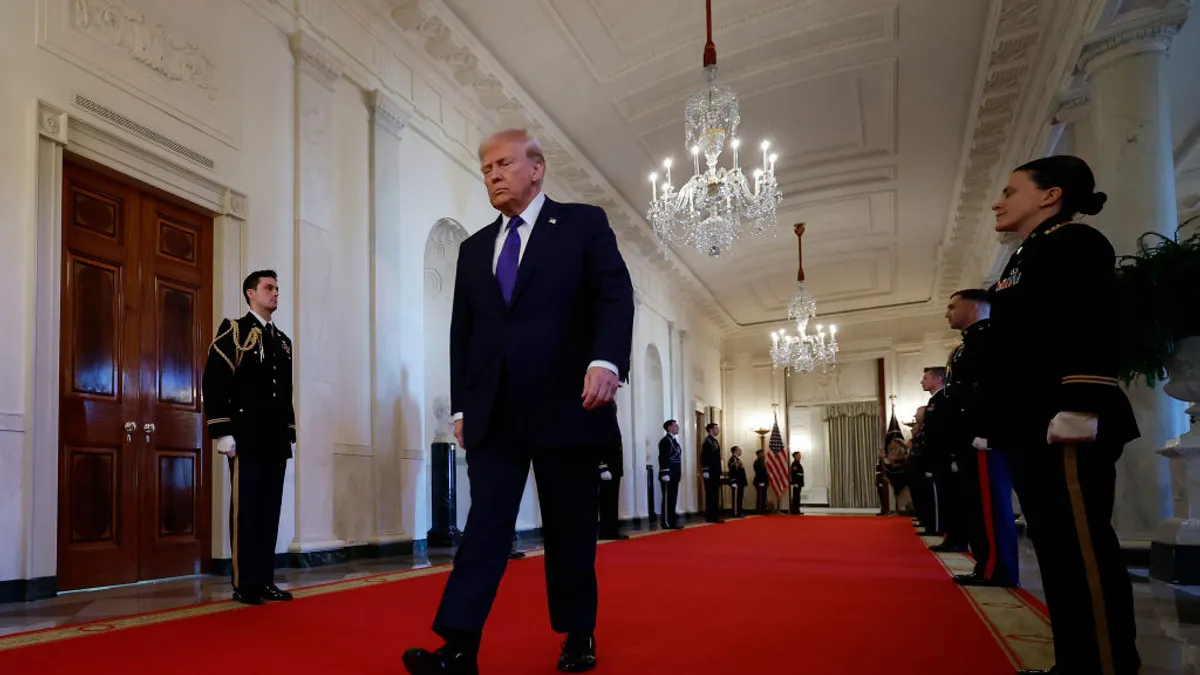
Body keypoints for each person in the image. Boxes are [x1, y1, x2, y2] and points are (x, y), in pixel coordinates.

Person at [402, 129, 635, 675]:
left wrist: (606, 361)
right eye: (485, 169)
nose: (493, 174)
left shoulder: (582, 224)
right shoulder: (473, 247)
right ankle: (458, 647)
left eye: (503, 163)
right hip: (495, 414)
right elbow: (462, 333)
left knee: (569, 527)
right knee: (486, 527)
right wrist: (461, 408)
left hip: (566, 404)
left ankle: (578, 633)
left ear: (537, 169)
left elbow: (613, 294)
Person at [987, 155, 1140, 675]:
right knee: (1056, 554)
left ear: (1050, 195)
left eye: (1011, 190)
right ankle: (1076, 661)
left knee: (1082, 553)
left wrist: (1080, 402)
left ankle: (1104, 664)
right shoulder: (1028, 254)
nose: (998, 201)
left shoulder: (1075, 243)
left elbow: (1090, 324)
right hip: (1032, 422)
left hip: (1064, 418)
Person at [202, 270, 296, 606]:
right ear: (250, 293)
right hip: (246, 438)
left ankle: (265, 579)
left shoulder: (282, 340)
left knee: (270, 511)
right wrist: (222, 431)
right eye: (268, 288)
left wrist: (289, 431)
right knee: (247, 512)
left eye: (277, 288)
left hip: (274, 439)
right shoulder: (235, 330)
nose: (275, 293)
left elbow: (284, 392)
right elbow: (215, 381)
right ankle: (244, 584)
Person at [943, 289, 1019, 588]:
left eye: (953, 306)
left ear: (974, 307)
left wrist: (987, 431)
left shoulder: (990, 338)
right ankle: (986, 565)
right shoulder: (968, 344)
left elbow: (996, 388)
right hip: (969, 436)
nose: (947, 312)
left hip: (983, 436)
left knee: (990, 506)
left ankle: (997, 570)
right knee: (977, 505)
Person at [597, 437, 627, 540]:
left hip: (614, 469)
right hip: (608, 469)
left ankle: (612, 531)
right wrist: (603, 467)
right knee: (606, 502)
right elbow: (598, 444)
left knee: (613, 502)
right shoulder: (602, 423)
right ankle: (606, 531)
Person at [658, 420, 684, 530]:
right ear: (669, 428)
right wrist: (665, 472)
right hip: (668, 474)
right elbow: (663, 457)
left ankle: (672, 521)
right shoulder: (665, 441)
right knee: (668, 499)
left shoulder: (674, 441)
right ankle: (666, 522)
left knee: (673, 499)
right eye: (675, 425)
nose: (678, 427)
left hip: (675, 474)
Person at [700, 423, 725, 523]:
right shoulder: (707, 441)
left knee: (715, 494)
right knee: (710, 495)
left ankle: (715, 515)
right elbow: (704, 456)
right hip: (709, 472)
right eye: (716, 428)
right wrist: (705, 470)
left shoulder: (714, 441)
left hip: (715, 472)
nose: (718, 429)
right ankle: (710, 516)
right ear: (710, 430)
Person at [727, 446, 747, 518]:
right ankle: (735, 512)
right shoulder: (732, 459)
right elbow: (732, 471)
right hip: (736, 482)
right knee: (736, 498)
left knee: (740, 497)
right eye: (739, 449)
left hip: (740, 482)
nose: (740, 450)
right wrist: (733, 481)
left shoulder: (738, 460)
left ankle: (739, 511)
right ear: (735, 451)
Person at [752, 449, 769, 514]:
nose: (763, 454)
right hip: (760, 482)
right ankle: (759, 510)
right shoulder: (757, 462)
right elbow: (759, 473)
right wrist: (761, 482)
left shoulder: (763, 462)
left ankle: (763, 509)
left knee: (763, 496)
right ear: (758, 455)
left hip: (764, 482)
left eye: (763, 453)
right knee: (760, 496)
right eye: (762, 453)